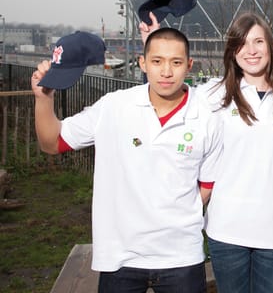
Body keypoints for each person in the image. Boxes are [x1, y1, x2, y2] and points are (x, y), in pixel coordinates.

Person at [32, 27, 223, 293]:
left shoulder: (207, 118)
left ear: (189, 65)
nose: (166, 71)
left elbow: (206, 187)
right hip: (120, 256)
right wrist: (44, 99)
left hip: (181, 256)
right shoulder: (113, 107)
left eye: (176, 62)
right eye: (157, 61)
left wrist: (167, 212)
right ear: (143, 63)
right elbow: (52, 143)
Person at [140, 11, 273, 293]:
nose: (251, 51)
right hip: (227, 229)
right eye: (242, 43)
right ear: (232, 51)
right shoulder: (212, 94)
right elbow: (166, 93)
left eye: (258, 42)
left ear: (270, 46)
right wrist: (155, 42)